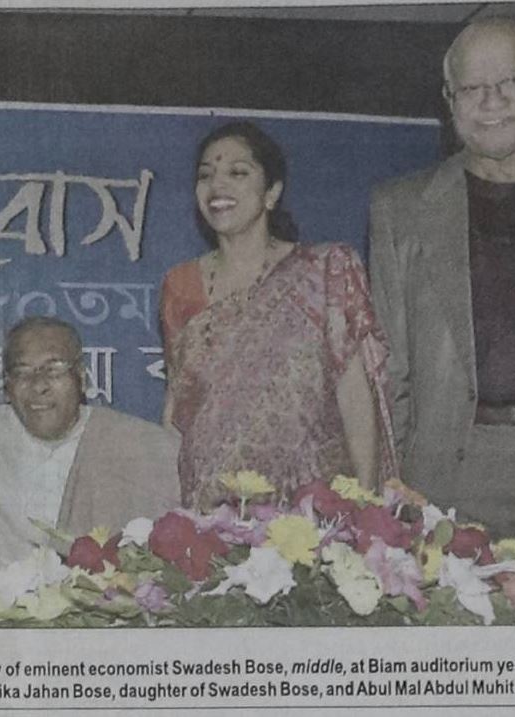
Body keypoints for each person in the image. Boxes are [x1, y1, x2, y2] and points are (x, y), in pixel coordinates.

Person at [369, 17, 515, 561]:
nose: (491, 102)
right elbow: (391, 375)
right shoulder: (400, 209)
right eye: (471, 88)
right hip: (461, 479)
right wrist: (394, 505)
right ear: (450, 101)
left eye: (510, 81)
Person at [161, 121, 398, 510]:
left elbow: (354, 393)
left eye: (238, 172)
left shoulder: (325, 271)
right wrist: (173, 511)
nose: (218, 185)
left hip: (310, 507)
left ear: (271, 192)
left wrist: (365, 502)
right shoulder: (180, 283)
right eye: (206, 175)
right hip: (212, 504)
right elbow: (177, 405)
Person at [0, 317, 181, 569]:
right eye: (22, 372)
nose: (39, 385)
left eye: (54, 369)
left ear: (81, 378)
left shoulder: (137, 445)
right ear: (7, 386)